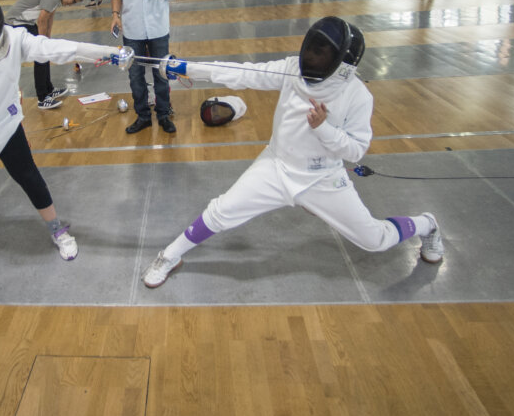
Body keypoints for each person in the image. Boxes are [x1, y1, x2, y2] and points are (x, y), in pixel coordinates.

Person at [140, 16, 444, 288]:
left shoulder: (357, 96)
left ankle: (427, 223)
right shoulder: (291, 69)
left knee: (375, 240)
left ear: (342, 65)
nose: (310, 58)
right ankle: (169, 255)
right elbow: (241, 73)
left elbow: (356, 151)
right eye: (311, 49)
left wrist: (324, 128)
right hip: (276, 165)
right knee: (221, 212)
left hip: (322, 178)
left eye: (321, 54)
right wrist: (186, 68)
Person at [0, 0, 133, 261]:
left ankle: (56, 228)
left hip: (3, 123)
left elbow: (56, 48)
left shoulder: (15, 38)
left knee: (29, 177)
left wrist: (107, 53)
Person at [110, 0, 180, 134]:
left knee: (161, 72)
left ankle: (163, 114)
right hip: (132, 29)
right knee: (135, 75)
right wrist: (115, 14)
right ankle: (143, 116)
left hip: (159, 27)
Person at [5, 0, 86, 110]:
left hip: (26, 23)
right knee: (41, 54)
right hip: (15, 23)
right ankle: (42, 98)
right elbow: (42, 20)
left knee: (45, 51)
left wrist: (47, 39)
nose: (71, 4)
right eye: (73, 1)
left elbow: (49, 18)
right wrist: (42, 44)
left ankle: (49, 89)